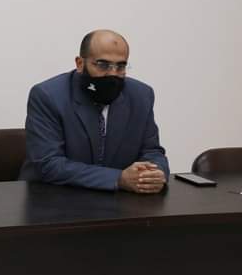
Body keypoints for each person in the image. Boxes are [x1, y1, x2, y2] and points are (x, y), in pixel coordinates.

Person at [20, 29, 168, 192]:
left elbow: (152, 151)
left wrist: (155, 173)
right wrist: (118, 179)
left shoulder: (141, 95)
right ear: (80, 64)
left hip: (120, 201)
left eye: (120, 66)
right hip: (52, 197)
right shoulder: (48, 96)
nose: (113, 74)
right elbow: (48, 164)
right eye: (103, 65)